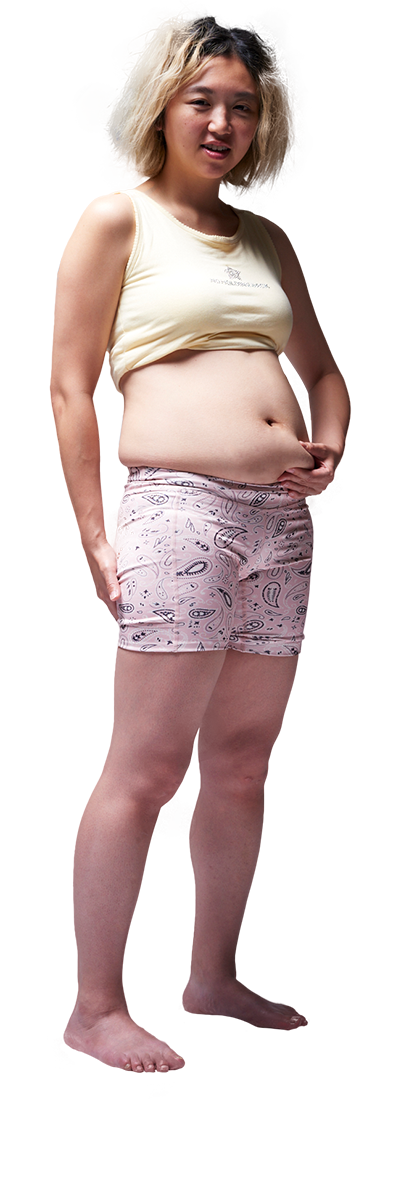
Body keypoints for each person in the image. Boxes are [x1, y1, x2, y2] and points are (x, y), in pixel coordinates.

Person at [51, 15, 350, 1076]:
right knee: (149, 768)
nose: (222, 123)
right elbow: (71, 387)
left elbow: (326, 366)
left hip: (279, 523)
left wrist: (331, 442)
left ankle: (210, 978)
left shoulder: (266, 240)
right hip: (177, 508)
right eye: (203, 101)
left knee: (241, 765)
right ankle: (100, 1006)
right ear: (166, 109)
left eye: (242, 107)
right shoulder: (118, 218)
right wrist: (96, 535)